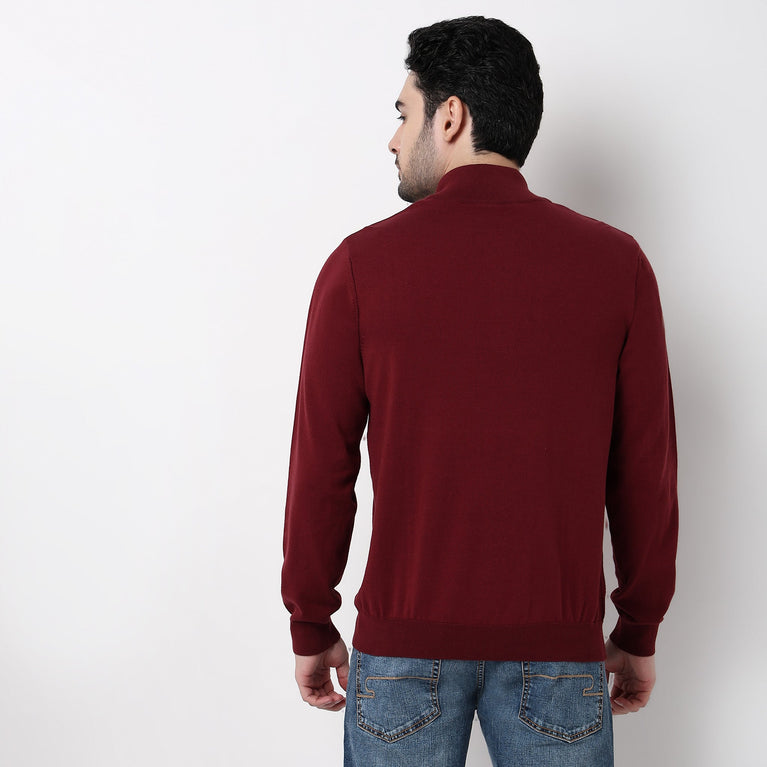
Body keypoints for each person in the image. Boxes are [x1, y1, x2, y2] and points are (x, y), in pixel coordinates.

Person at [281, 15, 678, 767]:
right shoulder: (616, 266)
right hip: (558, 654)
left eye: (404, 114)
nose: (393, 139)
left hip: (400, 651)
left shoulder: (360, 266)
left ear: (451, 116)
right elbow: (644, 472)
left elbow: (321, 467)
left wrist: (311, 618)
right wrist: (638, 626)